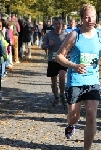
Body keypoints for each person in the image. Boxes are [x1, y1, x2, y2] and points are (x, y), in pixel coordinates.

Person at [55, 3, 101, 150]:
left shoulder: (100, 35)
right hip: (75, 81)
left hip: (93, 81)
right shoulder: (75, 35)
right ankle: (71, 124)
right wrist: (74, 66)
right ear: (81, 18)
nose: (90, 19)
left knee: (91, 115)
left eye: (92, 16)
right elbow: (59, 56)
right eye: (87, 17)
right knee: (74, 116)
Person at [42, 17, 67, 106]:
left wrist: (68, 53)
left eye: (59, 24)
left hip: (62, 60)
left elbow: (71, 47)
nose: (57, 26)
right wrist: (48, 44)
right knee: (53, 81)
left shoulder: (66, 35)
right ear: (53, 24)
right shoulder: (49, 35)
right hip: (52, 60)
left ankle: (62, 94)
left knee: (62, 76)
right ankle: (56, 97)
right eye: (55, 24)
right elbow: (43, 46)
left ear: (62, 24)